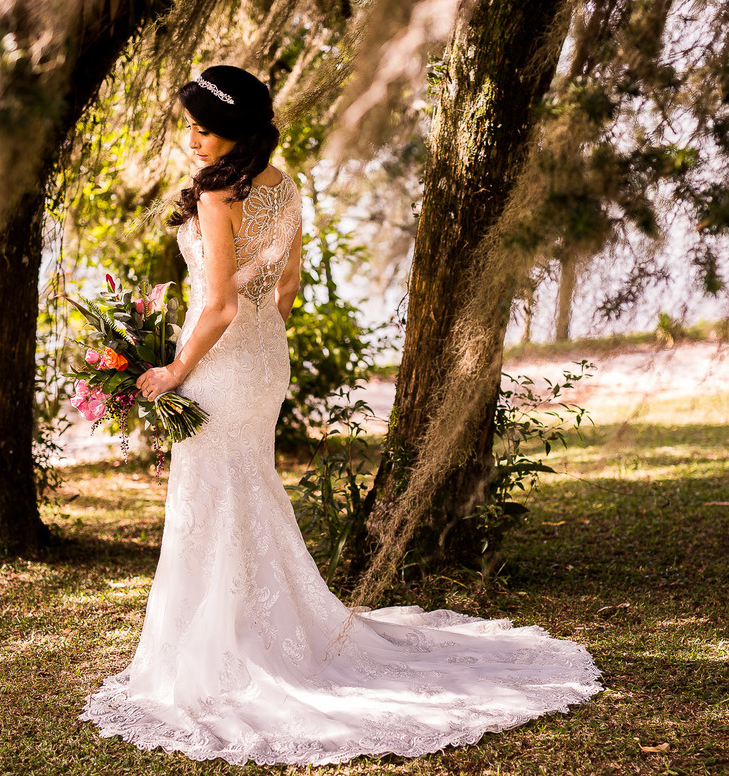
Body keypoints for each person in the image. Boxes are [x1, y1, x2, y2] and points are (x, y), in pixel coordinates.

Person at [78, 64, 604, 767]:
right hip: (264, 357)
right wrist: (258, 341)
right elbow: (284, 287)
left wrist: (175, 370)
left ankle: (225, 647)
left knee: (215, 495)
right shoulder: (282, 185)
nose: (191, 139)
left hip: (220, 361)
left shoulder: (216, 192)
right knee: (245, 489)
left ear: (232, 130)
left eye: (201, 128)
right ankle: (248, 629)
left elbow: (219, 303)